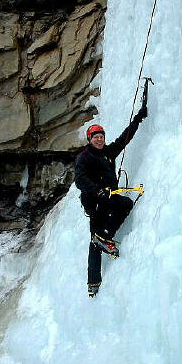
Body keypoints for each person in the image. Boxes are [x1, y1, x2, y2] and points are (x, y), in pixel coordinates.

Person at [75, 92, 148, 298]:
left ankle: (103, 239)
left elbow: (126, 137)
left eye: (101, 137)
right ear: (89, 140)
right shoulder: (84, 157)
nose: (99, 139)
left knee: (124, 205)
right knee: (95, 239)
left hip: (109, 197)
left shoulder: (108, 152)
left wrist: (138, 118)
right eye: (95, 137)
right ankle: (93, 282)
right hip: (95, 202)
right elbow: (80, 180)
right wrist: (97, 190)